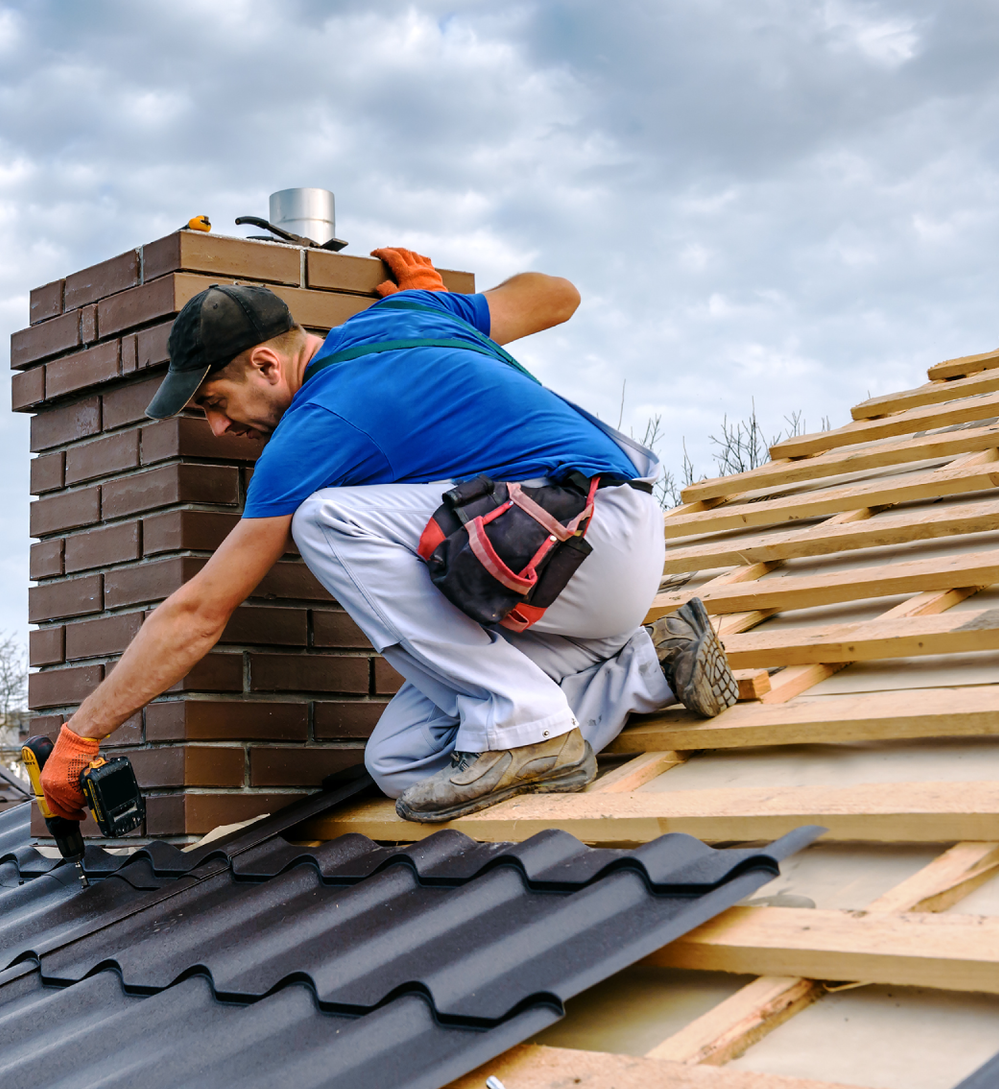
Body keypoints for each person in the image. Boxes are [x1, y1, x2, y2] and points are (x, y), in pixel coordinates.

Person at [38, 247, 735, 826]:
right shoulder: (412, 312)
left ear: (265, 365)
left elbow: (199, 612)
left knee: (327, 518)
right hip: (580, 576)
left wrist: (82, 734)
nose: (219, 429)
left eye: (214, 403)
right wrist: (453, 313)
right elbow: (559, 293)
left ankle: (527, 723)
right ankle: (650, 665)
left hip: (585, 534)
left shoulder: (315, 425)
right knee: (400, 761)